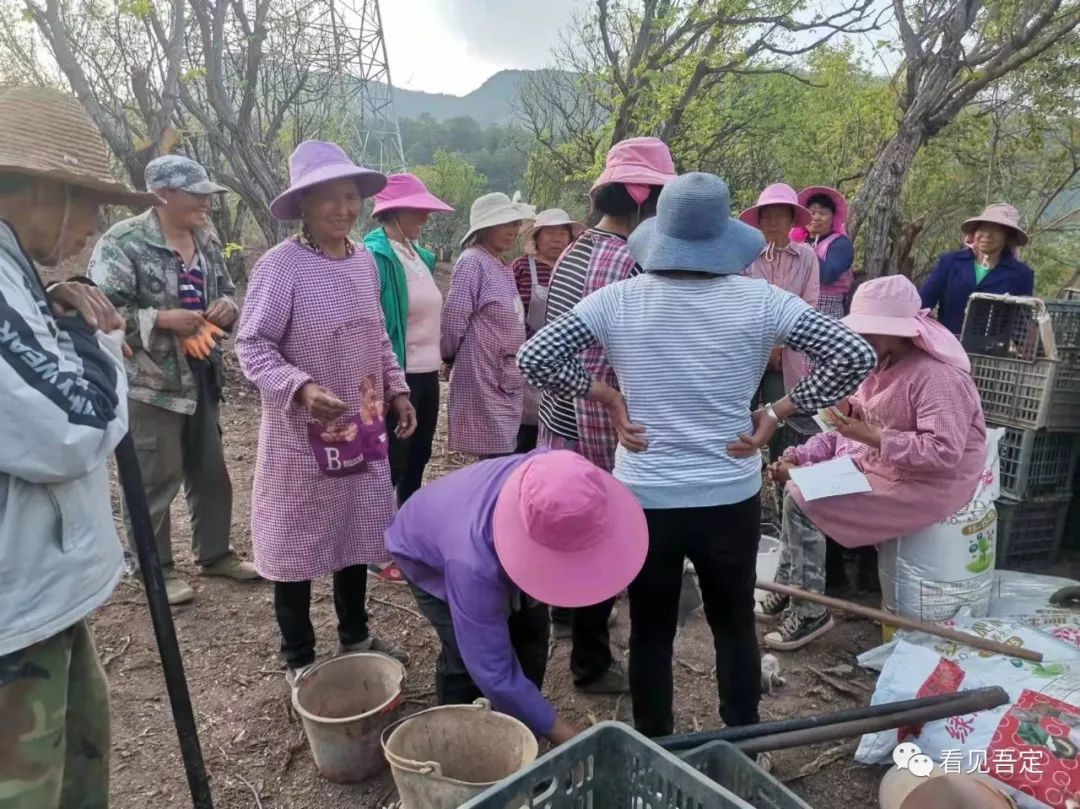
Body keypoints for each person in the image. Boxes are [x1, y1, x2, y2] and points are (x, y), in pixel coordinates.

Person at [519, 172, 876, 738]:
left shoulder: (618, 300)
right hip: (729, 492)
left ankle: (656, 743)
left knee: (651, 631)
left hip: (646, 495)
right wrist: (778, 412)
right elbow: (852, 354)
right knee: (733, 625)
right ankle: (743, 741)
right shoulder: (762, 301)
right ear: (723, 240)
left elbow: (535, 358)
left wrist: (608, 397)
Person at [0, 86, 151, 809]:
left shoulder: (24, 280)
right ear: (36, 188)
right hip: (11, 615)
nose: (96, 221)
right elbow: (76, 427)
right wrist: (101, 336)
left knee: (77, 773)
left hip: (36, 595)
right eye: (87, 199)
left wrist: (67, 319)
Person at [235, 141, 417, 683]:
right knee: (296, 538)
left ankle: (356, 634)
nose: (342, 209)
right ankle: (299, 657)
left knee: (354, 528)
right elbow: (252, 344)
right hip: (302, 425)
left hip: (359, 416)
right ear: (304, 205)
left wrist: (398, 390)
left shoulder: (364, 260)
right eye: (328, 198)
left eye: (350, 196)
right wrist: (300, 387)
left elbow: (377, 336)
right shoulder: (281, 266)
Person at [762, 275, 987, 651]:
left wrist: (870, 435)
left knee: (802, 498)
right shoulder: (880, 365)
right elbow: (853, 427)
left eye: (873, 331)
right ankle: (793, 588)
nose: (863, 339)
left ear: (902, 333)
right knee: (797, 489)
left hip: (931, 482)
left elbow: (943, 452)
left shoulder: (936, 376)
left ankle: (810, 609)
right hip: (886, 463)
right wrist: (814, 444)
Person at [385, 449, 648, 744]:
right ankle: (461, 740)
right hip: (424, 553)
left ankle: (521, 723)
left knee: (531, 631)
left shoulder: (557, 477)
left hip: (471, 524)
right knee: (466, 660)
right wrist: (567, 735)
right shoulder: (472, 565)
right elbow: (492, 670)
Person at [538, 136, 677, 693]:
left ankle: (567, 613)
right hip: (594, 422)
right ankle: (591, 663)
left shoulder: (578, 246)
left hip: (563, 414)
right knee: (598, 537)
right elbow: (609, 353)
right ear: (642, 199)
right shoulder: (624, 258)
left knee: (571, 530)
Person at [92, 155, 257, 605]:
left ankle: (215, 553)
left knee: (210, 468)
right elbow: (100, 315)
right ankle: (153, 567)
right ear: (163, 194)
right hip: (151, 382)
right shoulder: (123, 242)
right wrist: (161, 318)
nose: (206, 202)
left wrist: (228, 307)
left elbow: (225, 288)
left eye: (207, 194)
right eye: (196, 194)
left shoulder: (204, 239)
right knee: (152, 474)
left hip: (201, 374)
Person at [363, 174, 453, 586]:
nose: (426, 216)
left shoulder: (421, 256)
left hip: (425, 373)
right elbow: (374, 322)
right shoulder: (373, 256)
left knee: (417, 460)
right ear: (393, 212)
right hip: (393, 377)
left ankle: (409, 539)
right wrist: (388, 381)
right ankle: (377, 548)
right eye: (419, 209)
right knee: (389, 465)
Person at [441, 192, 535, 459]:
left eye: (515, 224)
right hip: (483, 371)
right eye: (505, 224)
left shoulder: (500, 264)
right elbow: (454, 316)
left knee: (503, 454)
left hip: (504, 373)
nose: (513, 230)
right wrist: (448, 354)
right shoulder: (473, 261)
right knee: (493, 458)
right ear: (484, 228)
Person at [740, 183, 820, 460]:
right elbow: (741, 302)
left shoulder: (807, 256)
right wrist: (767, 343)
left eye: (779, 215)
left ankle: (779, 470)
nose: (772, 222)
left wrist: (782, 344)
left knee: (779, 413)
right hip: (749, 349)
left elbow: (809, 304)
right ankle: (740, 465)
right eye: (766, 216)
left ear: (791, 220)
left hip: (788, 352)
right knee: (739, 410)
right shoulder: (746, 255)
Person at [510, 208, 584, 454]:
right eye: (551, 232)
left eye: (563, 233)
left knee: (556, 430)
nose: (558, 239)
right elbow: (514, 312)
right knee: (524, 432)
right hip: (528, 358)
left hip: (565, 361)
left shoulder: (576, 269)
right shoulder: (522, 267)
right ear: (536, 238)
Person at [919, 203, 1035, 335]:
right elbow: (923, 303)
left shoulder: (1020, 274)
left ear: (1007, 237)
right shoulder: (951, 262)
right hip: (948, 344)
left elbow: (1021, 323)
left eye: (996, 230)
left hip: (991, 352)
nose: (987, 235)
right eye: (983, 228)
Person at [793, 186, 855, 318]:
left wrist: (804, 250)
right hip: (796, 307)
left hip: (827, 311)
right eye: (811, 213)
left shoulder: (841, 244)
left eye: (823, 213)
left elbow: (827, 275)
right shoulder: (796, 241)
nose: (816, 217)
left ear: (833, 217)